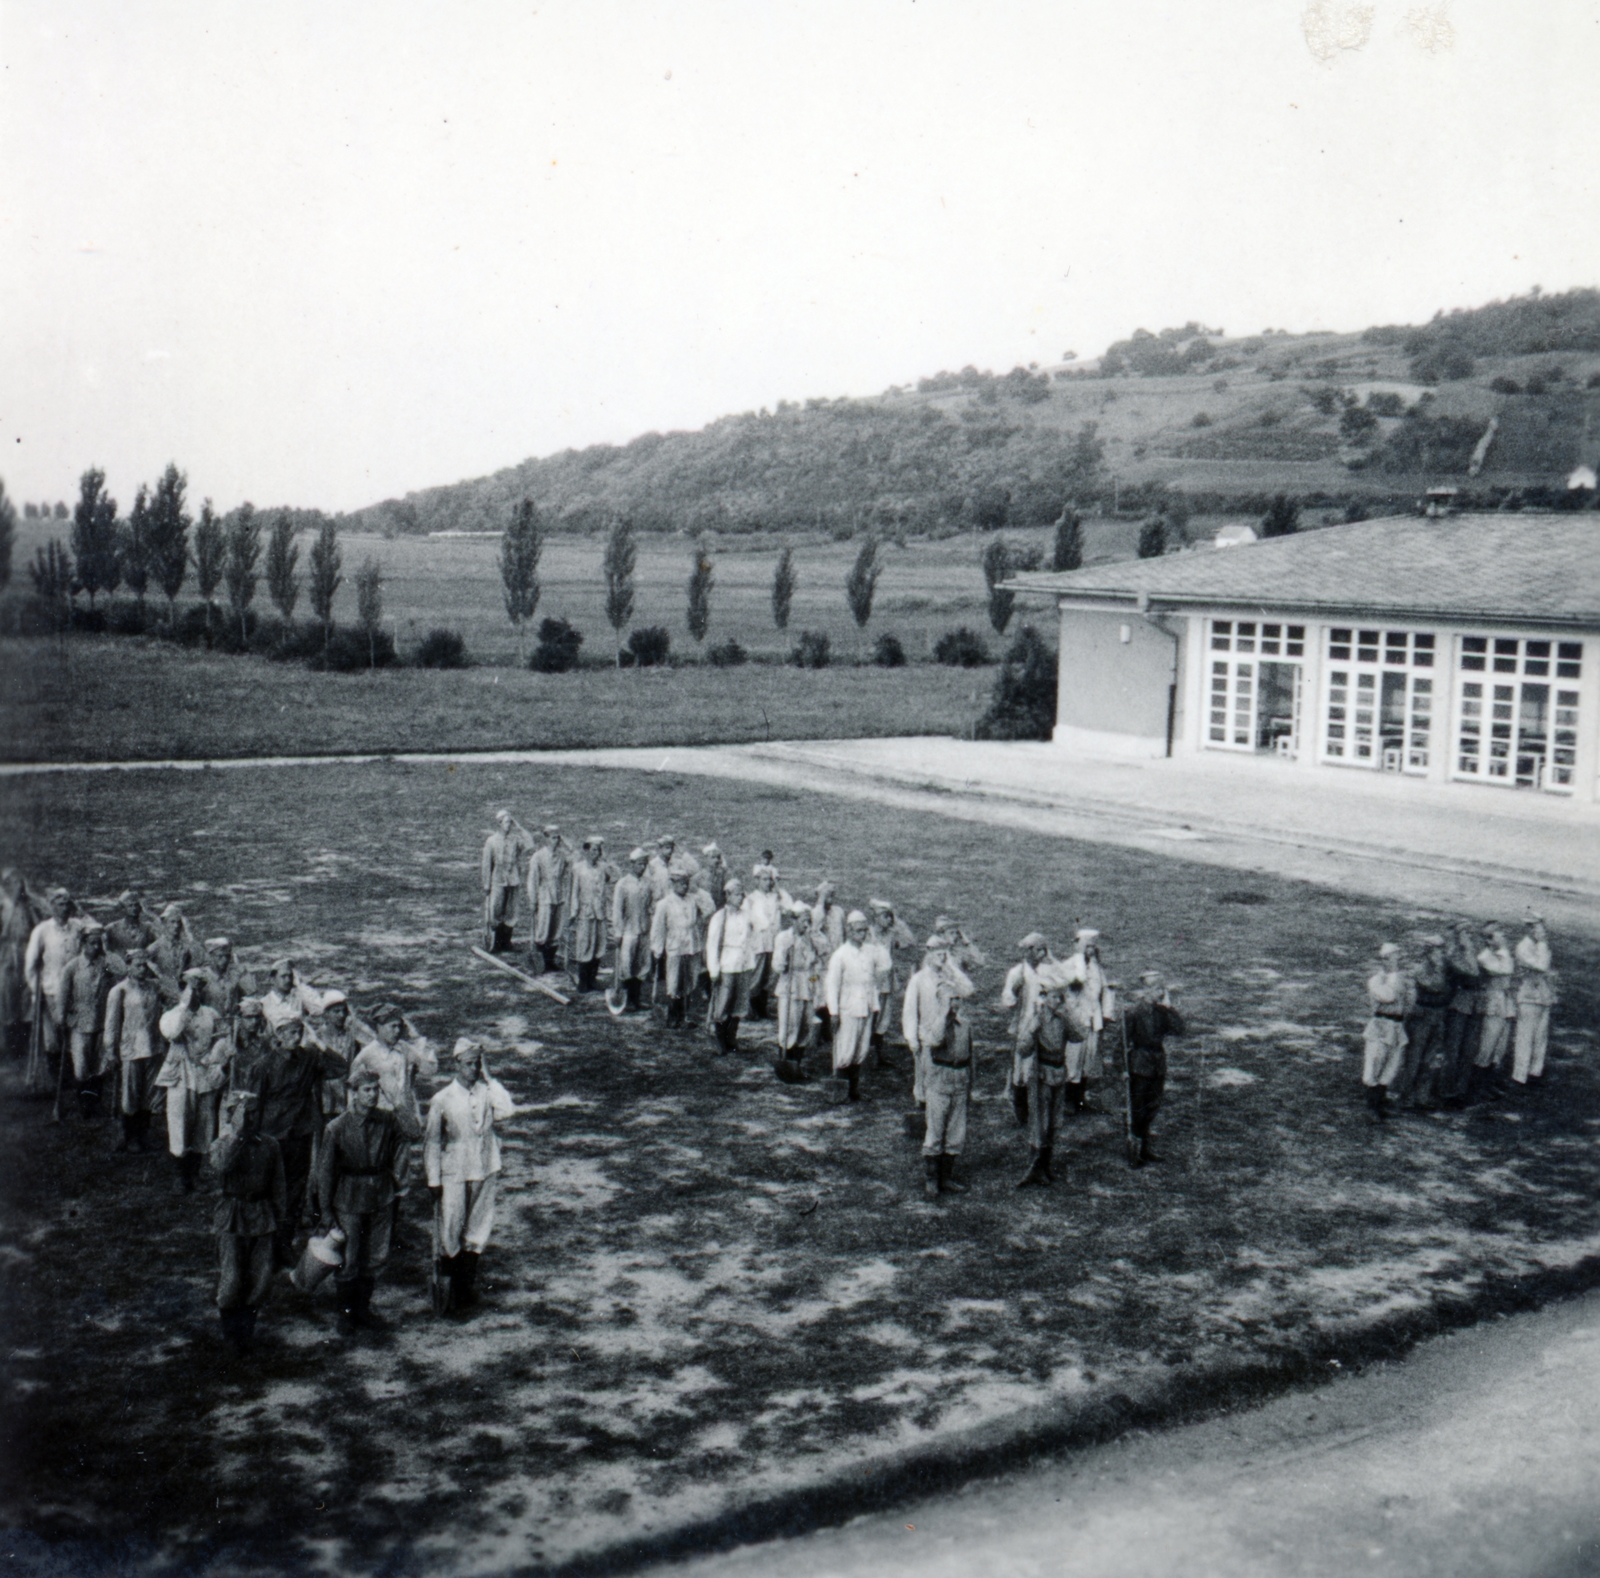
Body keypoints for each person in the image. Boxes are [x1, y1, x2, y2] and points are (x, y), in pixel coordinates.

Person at [317, 1063, 421, 1334]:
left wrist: (398, 1102)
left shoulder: (387, 1120)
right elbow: (325, 1173)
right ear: (353, 1093)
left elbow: (413, 1133)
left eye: (376, 1090)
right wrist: (326, 1212)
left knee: (376, 1256)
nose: (372, 1095)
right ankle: (346, 1314)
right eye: (366, 1090)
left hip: (381, 1195)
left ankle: (363, 1310)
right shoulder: (336, 1128)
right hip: (349, 1197)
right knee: (349, 1258)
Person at [424, 1038, 516, 1310]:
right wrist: (433, 1179)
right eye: (468, 1064)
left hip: (485, 1164)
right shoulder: (442, 1099)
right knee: (452, 1224)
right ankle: (449, 1294)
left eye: (477, 1063)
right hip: (454, 1169)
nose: (473, 1069)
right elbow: (431, 1141)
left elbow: (507, 1111)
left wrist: (489, 1076)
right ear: (456, 1065)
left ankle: (465, 1290)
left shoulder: (487, 1092)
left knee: (477, 1227)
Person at [252, 1014, 346, 1266]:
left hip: (301, 1131)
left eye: (300, 1033)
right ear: (278, 1036)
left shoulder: (308, 1058)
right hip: (273, 1134)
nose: (297, 1038)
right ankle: (266, 1245)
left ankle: (284, 1243)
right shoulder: (265, 1065)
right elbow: (255, 1104)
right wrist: (253, 1136)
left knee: (295, 1189)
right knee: (271, 1189)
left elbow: (340, 1067)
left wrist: (320, 1045)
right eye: (291, 1033)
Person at [209, 1089, 287, 1356]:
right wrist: (237, 1136)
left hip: (262, 1215)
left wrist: (280, 1219)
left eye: (255, 1112)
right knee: (231, 1278)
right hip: (232, 1214)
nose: (252, 1119)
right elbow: (222, 1167)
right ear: (231, 1116)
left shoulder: (270, 1145)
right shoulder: (222, 1144)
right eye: (245, 1114)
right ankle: (231, 1336)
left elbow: (279, 1186)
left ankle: (246, 1333)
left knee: (261, 1278)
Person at [156, 969, 231, 1192]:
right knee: (179, 1122)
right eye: (189, 987)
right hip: (180, 1073)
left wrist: (214, 1057)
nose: (194, 993)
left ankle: (196, 1173)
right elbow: (173, 1032)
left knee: (204, 1124)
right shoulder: (171, 1015)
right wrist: (184, 1007)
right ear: (181, 990)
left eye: (198, 988)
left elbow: (224, 1038)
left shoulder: (211, 1014)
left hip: (205, 1074)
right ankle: (180, 1175)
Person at [1016, 961, 1089, 1187]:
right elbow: (1023, 1049)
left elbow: (1079, 1036)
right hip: (1040, 1076)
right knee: (1039, 1122)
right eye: (1054, 998)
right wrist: (1032, 1030)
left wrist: (1066, 1015)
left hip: (1059, 1074)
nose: (1058, 1001)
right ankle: (1034, 1166)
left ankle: (1045, 1166)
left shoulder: (1063, 1018)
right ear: (1045, 997)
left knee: (1054, 1123)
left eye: (1061, 998)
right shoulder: (1036, 1018)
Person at [915, 964, 977, 1198]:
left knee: (955, 1133)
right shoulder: (933, 1024)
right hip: (939, 1083)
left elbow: (971, 1056)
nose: (955, 1004)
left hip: (959, 1082)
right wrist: (943, 1015)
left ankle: (946, 1176)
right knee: (935, 1131)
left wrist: (971, 1084)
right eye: (950, 1000)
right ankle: (932, 1179)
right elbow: (935, 1039)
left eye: (957, 1000)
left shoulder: (965, 1024)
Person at [903, 937, 975, 1108]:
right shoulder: (919, 979)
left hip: (948, 1033)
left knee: (943, 1072)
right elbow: (910, 1010)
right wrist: (911, 1037)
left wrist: (952, 970)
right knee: (924, 1072)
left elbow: (968, 990)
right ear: (928, 954)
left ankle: (943, 1104)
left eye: (944, 954)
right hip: (927, 1034)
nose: (942, 958)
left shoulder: (949, 976)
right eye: (938, 954)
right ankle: (922, 1104)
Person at [104, 947, 164, 1152]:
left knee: (148, 1095)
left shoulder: (154, 987)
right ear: (128, 966)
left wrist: (158, 972)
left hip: (153, 1048)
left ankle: (142, 1134)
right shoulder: (119, 991)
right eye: (138, 965)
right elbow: (111, 1024)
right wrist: (110, 1051)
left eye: (145, 965)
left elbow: (174, 992)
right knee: (130, 1095)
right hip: (130, 1049)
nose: (142, 969)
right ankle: (129, 1136)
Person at [1123, 972, 1185, 1166]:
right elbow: (1122, 1044)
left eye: (1162, 989)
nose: (1161, 992)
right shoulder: (1134, 1012)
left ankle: (1145, 1147)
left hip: (1157, 1062)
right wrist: (1122, 1069)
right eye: (1158, 989)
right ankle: (1134, 1151)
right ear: (1147, 991)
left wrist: (1169, 1007)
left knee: (1153, 1106)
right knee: (1138, 1108)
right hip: (1139, 1063)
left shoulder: (1162, 1011)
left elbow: (1179, 1029)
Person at [24, 887, 83, 1081]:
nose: (64, 908)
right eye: (60, 904)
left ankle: (73, 1075)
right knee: (52, 1039)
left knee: (73, 1034)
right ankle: (57, 1079)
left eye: (67, 904)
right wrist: (36, 991)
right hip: (51, 991)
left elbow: (96, 929)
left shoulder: (77, 927)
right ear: (51, 906)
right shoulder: (42, 930)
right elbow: (31, 965)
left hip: (75, 992)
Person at [348, 1002, 437, 1124]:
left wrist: (417, 1039)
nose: (397, 1030)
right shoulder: (366, 1055)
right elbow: (353, 1092)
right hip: (380, 1118)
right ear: (379, 1027)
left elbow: (430, 1070)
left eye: (400, 1026)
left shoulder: (404, 1048)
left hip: (407, 1116)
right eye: (393, 1026)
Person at [824, 911, 880, 1102]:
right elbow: (832, 986)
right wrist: (833, 1012)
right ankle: (839, 1090)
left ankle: (854, 1090)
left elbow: (872, 982)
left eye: (865, 930)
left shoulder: (869, 952)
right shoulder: (840, 955)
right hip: (848, 1007)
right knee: (846, 1049)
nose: (862, 934)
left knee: (861, 1049)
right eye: (858, 930)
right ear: (848, 930)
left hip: (867, 1005)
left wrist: (875, 1006)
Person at [60, 920, 113, 1121]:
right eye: (92, 943)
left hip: (101, 1022)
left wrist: (107, 951)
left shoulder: (105, 964)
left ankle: (95, 1102)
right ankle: (83, 1104)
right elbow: (63, 996)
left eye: (99, 943)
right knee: (81, 1066)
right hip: (79, 1024)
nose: (96, 947)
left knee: (99, 1066)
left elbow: (121, 972)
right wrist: (62, 1019)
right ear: (83, 943)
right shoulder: (72, 967)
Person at [1000, 932, 1052, 1127]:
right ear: (1029, 951)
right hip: (1024, 1026)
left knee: (1043, 1065)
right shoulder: (1017, 972)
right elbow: (1007, 1001)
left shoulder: (1047, 971)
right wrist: (1014, 989)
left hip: (1045, 1025)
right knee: (1022, 1067)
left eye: (1043, 950)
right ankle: (1021, 1107)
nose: (1041, 955)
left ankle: (1040, 1105)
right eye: (1038, 950)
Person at [1062, 928, 1116, 1112]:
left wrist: (1106, 1015)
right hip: (1077, 1020)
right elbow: (1068, 995)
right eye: (1087, 946)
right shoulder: (1070, 966)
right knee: (1073, 1059)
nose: (1090, 951)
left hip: (1094, 1020)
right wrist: (1073, 1017)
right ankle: (1068, 1100)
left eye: (1092, 947)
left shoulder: (1097, 968)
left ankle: (1080, 1099)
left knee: (1090, 1058)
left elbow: (1107, 991)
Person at [1361, 943, 1413, 1122]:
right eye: (1394, 956)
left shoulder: (1401, 979)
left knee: (1391, 1067)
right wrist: (1395, 976)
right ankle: (1371, 1106)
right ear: (1384, 959)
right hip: (1380, 1025)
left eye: (1398, 955)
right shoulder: (1377, 980)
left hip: (1397, 1026)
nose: (1398, 958)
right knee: (1375, 1064)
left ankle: (1380, 1101)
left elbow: (1409, 1003)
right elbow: (1389, 996)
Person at [705, 878, 755, 1053]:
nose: (740, 898)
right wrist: (714, 969)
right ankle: (719, 1039)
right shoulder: (720, 917)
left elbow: (756, 931)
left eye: (742, 894)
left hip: (743, 965)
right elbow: (712, 945)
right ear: (727, 895)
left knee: (739, 1004)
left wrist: (750, 962)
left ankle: (731, 1038)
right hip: (727, 965)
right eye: (736, 894)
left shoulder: (746, 915)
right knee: (723, 1003)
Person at [1400, 936, 1450, 1110]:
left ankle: (1422, 1097)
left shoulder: (1441, 968)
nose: (1440, 954)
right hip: (1422, 1017)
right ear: (1428, 952)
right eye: (1437, 951)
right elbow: (1436, 986)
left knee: (1430, 1058)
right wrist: (1439, 969)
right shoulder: (1422, 969)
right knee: (1414, 1059)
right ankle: (1406, 1098)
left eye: (1442, 951)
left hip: (1437, 1015)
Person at [649, 869, 704, 1028]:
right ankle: (673, 1016)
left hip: (691, 946)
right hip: (675, 947)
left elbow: (707, 910)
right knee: (674, 981)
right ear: (673, 884)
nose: (684, 887)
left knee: (690, 980)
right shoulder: (664, 904)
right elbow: (658, 929)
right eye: (680, 883)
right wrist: (657, 949)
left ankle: (686, 1015)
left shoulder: (692, 900)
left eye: (686, 883)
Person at [1438, 921, 1483, 1110]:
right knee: (1453, 1051)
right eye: (1465, 934)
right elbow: (1472, 972)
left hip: (1475, 1006)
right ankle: (1446, 1091)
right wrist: (1466, 949)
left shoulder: (1475, 954)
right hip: (1458, 1004)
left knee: (1469, 1050)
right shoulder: (1453, 956)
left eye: (1471, 934)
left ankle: (1460, 1091)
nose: (1470, 937)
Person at [866, 900, 917, 1064]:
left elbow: (910, 941)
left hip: (886, 982)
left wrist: (897, 922)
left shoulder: (890, 934)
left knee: (883, 1018)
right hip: (870, 982)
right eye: (886, 916)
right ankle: (865, 1055)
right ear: (877, 917)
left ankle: (878, 1056)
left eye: (890, 917)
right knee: (869, 1017)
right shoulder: (868, 933)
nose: (889, 920)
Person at [772, 906, 823, 1065]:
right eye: (803, 921)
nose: (807, 925)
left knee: (806, 1025)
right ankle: (785, 1061)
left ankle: (797, 1062)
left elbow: (816, 967)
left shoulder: (811, 939)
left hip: (806, 986)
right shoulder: (784, 938)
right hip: (790, 986)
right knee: (790, 1024)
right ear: (793, 920)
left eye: (809, 921)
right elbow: (777, 966)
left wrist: (815, 985)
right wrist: (785, 956)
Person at [1, 869, 44, 1058]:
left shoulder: (30, 905)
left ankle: (26, 1043)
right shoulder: (3, 905)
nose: (16, 887)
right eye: (11, 883)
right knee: (7, 996)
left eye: (18, 883)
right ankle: (12, 1045)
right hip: (7, 954)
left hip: (27, 951)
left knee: (27, 996)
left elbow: (41, 925)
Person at [1471, 923, 1517, 1100]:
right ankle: (1476, 1086)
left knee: (1500, 1044)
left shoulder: (1500, 954)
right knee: (1488, 1044)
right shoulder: (1485, 956)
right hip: (1492, 1001)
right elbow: (1505, 969)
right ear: (1489, 940)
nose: (1504, 936)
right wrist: (1504, 950)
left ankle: (1489, 1082)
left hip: (1504, 1000)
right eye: (1499, 934)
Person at [1512, 917, 1557, 1088]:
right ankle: (1519, 1076)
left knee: (1540, 1037)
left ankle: (1534, 1073)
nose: (1543, 933)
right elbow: (1542, 966)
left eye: (1543, 929)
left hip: (1543, 996)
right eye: (1539, 929)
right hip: (1529, 997)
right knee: (1525, 1037)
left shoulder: (1538, 945)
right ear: (1530, 929)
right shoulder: (1523, 947)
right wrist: (1542, 944)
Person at [481, 809, 534, 953]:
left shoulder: (515, 839)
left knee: (512, 911)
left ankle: (506, 942)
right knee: (496, 910)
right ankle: (496, 943)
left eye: (510, 822)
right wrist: (486, 884)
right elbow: (487, 864)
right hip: (497, 880)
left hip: (513, 880)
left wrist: (519, 827)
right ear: (499, 824)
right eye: (506, 822)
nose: (509, 825)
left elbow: (530, 845)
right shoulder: (491, 841)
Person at [568, 837, 613, 993]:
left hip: (599, 912)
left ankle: (592, 979)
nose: (597, 853)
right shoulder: (578, 868)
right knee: (584, 945)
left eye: (599, 850)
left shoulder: (602, 868)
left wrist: (606, 858)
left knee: (599, 946)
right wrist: (574, 912)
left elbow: (614, 876)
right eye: (594, 850)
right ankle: (583, 981)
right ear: (586, 851)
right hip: (585, 912)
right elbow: (574, 892)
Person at [744, 865, 787, 1021]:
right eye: (764, 879)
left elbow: (786, 908)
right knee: (756, 976)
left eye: (770, 880)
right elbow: (747, 922)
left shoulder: (776, 897)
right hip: (759, 943)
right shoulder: (751, 898)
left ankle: (762, 1008)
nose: (768, 883)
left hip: (773, 942)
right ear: (757, 881)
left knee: (769, 976)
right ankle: (747, 1008)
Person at [610, 849, 652, 1012]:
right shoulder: (623, 884)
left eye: (644, 864)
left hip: (643, 929)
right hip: (628, 930)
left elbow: (649, 904)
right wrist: (618, 933)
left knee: (642, 965)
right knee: (626, 964)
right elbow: (617, 910)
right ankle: (626, 999)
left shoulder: (647, 883)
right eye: (639, 864)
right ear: (632, 864)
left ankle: (636, 998)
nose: (642, 867)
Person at [527, 825, 571, 975]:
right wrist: (533, 900)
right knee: (543, 930)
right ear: (546, 839)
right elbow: (532, 880)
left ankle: (550, 961)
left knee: (556, 930)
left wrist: (567, 844)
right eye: (553, 837)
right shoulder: (538, 857)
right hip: (544, 895)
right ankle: (540, 963)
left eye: (558, 837)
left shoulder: (562, 855)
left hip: (559, 895)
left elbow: (573, 861)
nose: (557, 841)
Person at [261, 958, 330, 1030]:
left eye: (290, 976)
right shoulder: (264, 1003)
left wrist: (300, 984)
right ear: (273, 979)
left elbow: (319, 1009)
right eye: (283, 976)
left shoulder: (300, 999)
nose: (288, 980)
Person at [198, 937, 254, 1018]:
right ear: (211, 956)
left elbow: (251, 996)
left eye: (227, 956)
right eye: (220, 956)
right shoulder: (202, 975)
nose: (224, 960)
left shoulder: (237, 973)